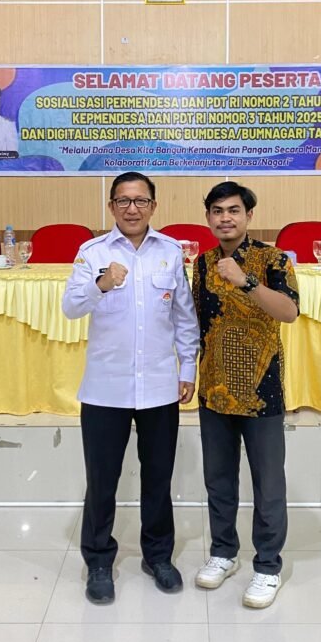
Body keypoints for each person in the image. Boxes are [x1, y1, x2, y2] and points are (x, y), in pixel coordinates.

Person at [62, 171, 199, 605]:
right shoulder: (92, 253)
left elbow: (184, 316)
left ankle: (158, 556)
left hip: (159, 386)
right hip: (106, 389)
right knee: (102, 481)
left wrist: (188, 367)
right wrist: (100, 284)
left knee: (158, 479)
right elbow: (70, 307)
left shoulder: (171, 252)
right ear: (111, 207)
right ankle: (99, 561)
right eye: (123, 201)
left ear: (153, 206)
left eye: (140, 200)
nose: (132, 208)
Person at [192, 181, 299, 609]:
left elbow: (289, 312)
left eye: (233, 210)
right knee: (219, 480)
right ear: (208, 217)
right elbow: (197, 321)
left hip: (261, 392)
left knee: (268, 484)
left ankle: (268, 566)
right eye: (217, 211)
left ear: (248, 215)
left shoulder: (274, 259)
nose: (225, 218)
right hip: (214, 390)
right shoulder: (201, 263)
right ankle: (223, 552)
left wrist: (246, 281)